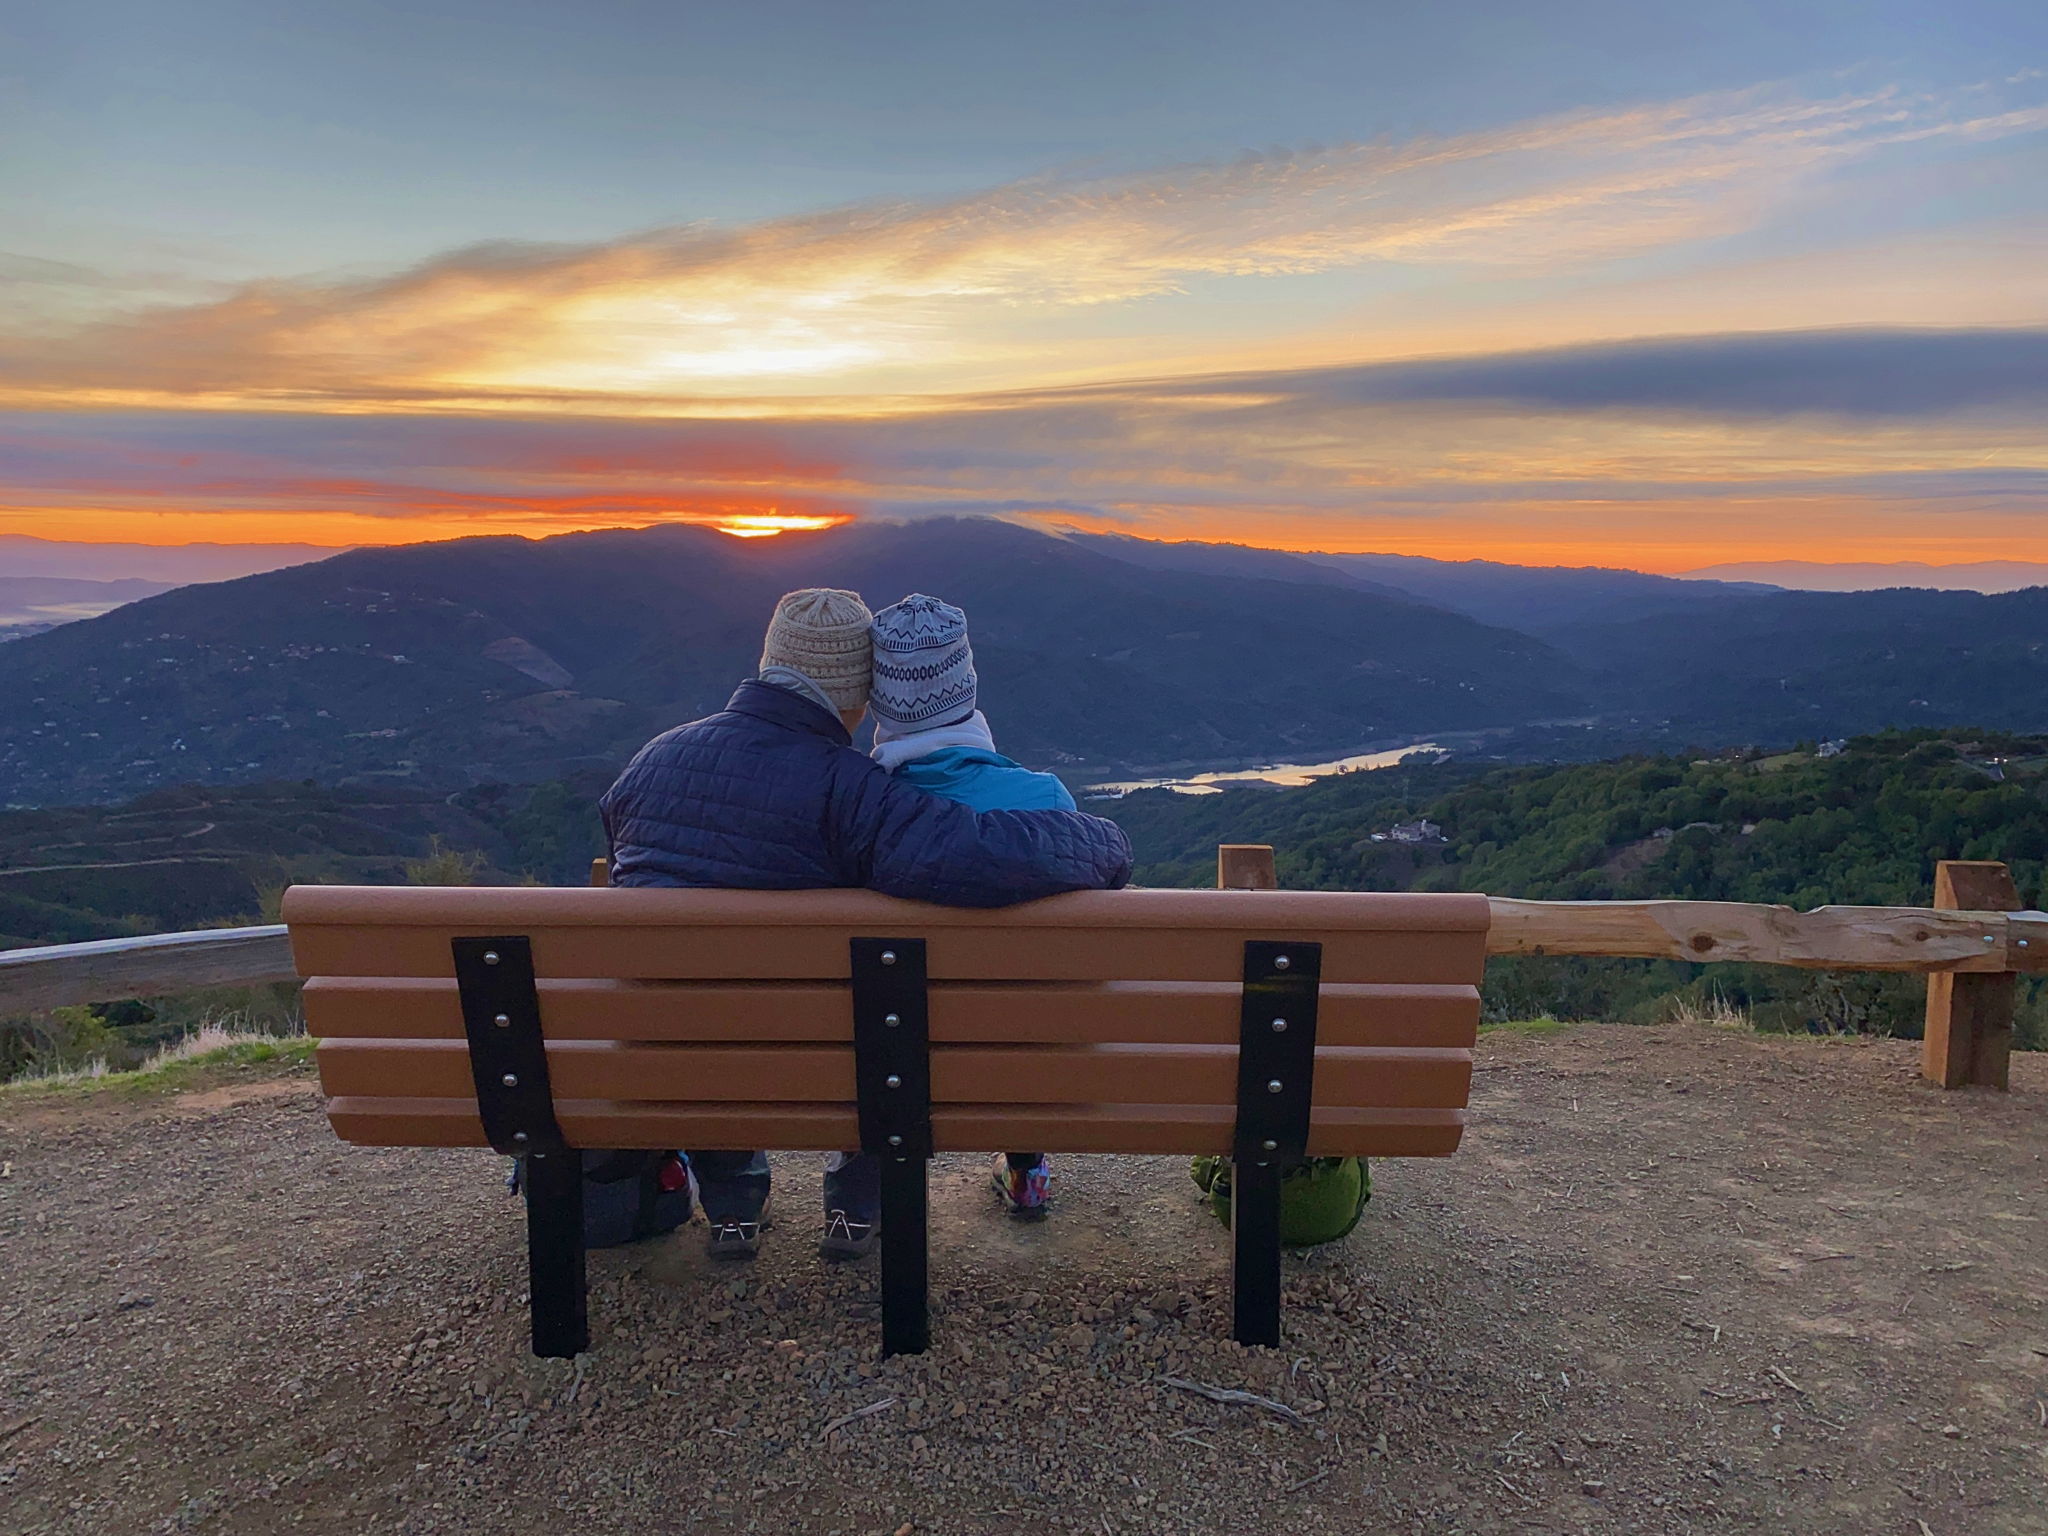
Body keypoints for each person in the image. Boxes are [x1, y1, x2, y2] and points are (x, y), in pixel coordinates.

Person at [598, 587, 1132, 1261]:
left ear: (767, 664)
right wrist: (1100, 841)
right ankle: (854, 1205)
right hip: (820, 1065)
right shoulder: (845, 788)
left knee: (702, 1002)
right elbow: (971, 854)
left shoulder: (648, 763)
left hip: (664, 1059)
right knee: (878, 1023)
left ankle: (733, 1204)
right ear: (857, 699)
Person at [835, 592, 1074, 1222]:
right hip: (1017, 1056)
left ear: (880, 702)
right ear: (967, 686)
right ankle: (1025, 1171)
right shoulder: (1043, 798)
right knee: (1028, 992)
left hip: (883, 1063)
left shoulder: (854, 808)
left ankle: (862, 1196)